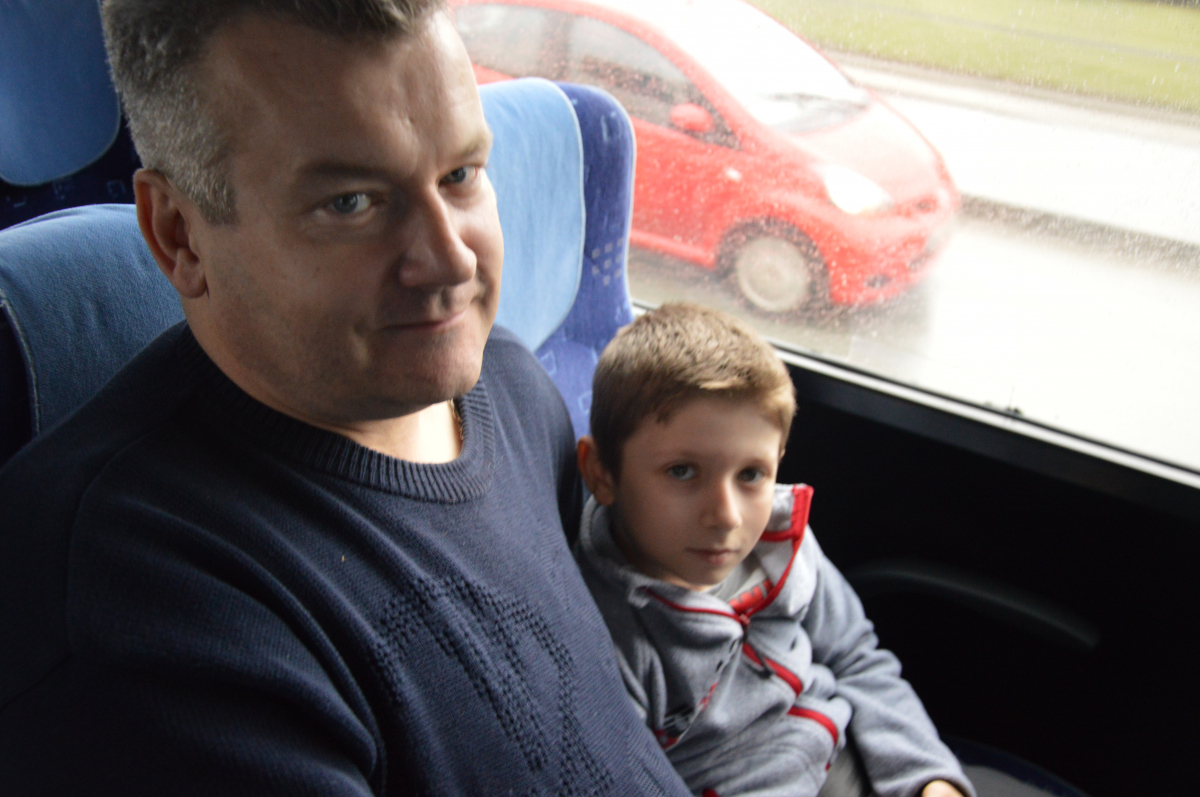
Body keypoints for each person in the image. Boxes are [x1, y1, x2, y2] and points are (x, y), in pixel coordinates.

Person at [0, 1, 694, 794]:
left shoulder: (510, 386)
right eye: (351, 203)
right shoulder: (133, 610)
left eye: (461, 175)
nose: (451, 262)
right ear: (179, 235)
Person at [574, 303, 976, 797]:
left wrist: (928, 775)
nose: (727, 516)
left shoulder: (782, 545)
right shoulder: (609, 638)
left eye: (751, 474)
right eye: (682, 471)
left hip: (851, 753)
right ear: (601, 473)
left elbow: (855, 656)